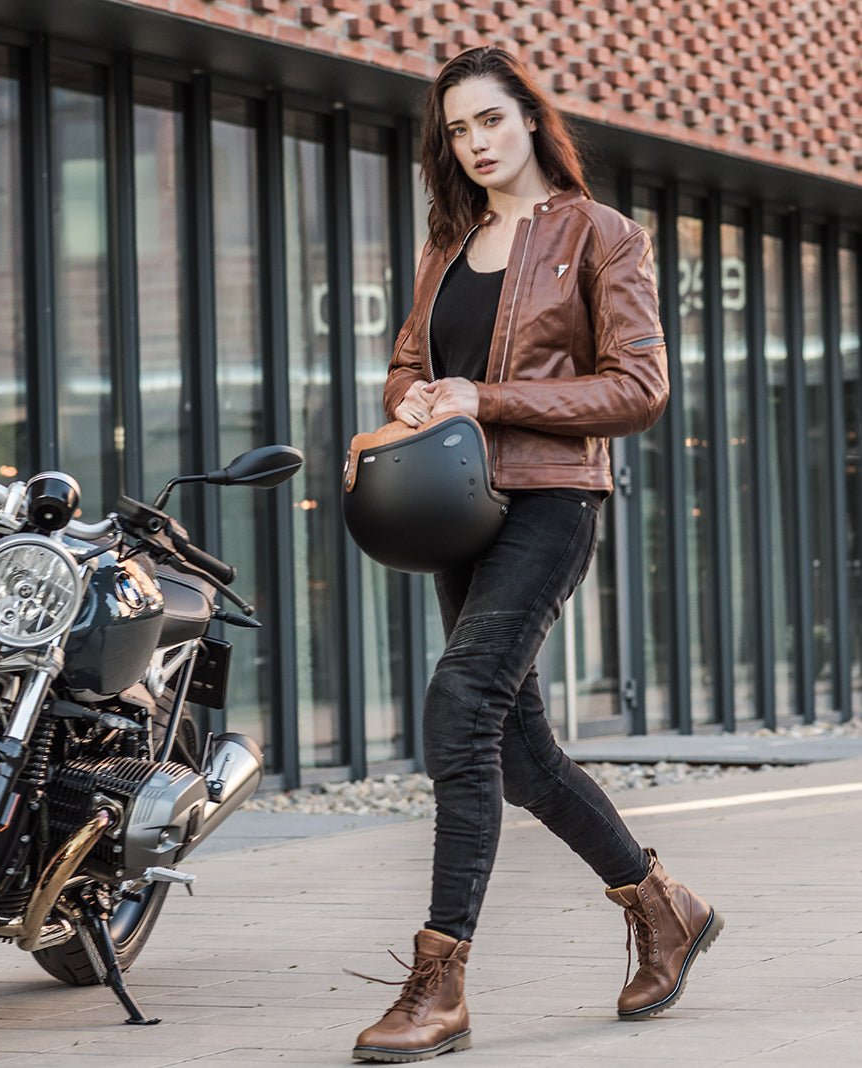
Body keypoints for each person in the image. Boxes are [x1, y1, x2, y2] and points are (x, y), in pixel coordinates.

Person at [350, 46, 723, 1064]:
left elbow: (637, 388)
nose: (474, 144)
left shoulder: (602, 236)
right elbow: (409, 365)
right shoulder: (448, 244)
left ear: (530, 119)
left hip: (551, 503)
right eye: (457, 130)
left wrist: (488, 398)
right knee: (519, 754)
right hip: (456, 509)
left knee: (461, 705)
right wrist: (415, 398)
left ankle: (439, 983)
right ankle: (663, 905)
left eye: (489, 121)